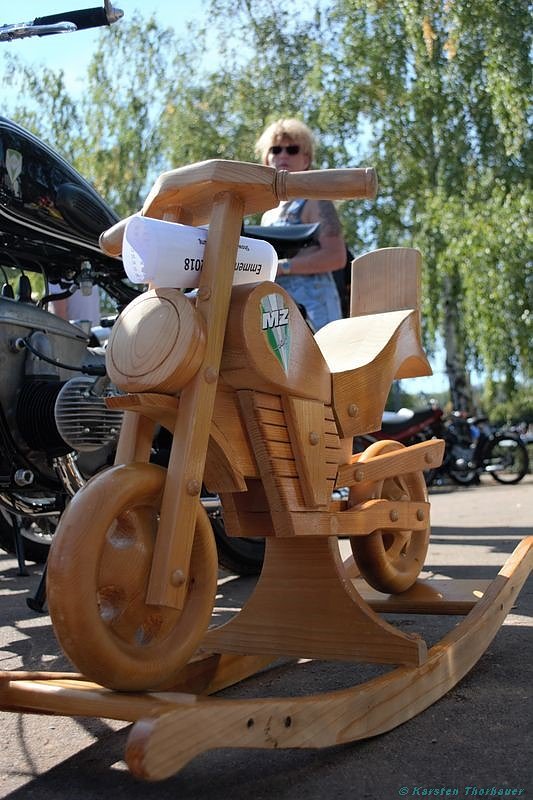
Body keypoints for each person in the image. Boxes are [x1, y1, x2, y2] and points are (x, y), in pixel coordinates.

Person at [255, 118, 346, 330]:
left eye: (292, 149)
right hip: (280, 314)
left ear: (306, 159)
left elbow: (336, 256)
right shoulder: (267, 215)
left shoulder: (316, 199)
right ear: (267, 160)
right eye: (276, 150)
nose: (283, 155)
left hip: (317, 315)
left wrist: (283, 267)